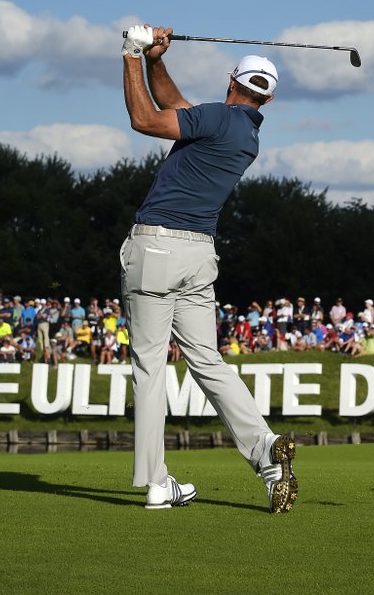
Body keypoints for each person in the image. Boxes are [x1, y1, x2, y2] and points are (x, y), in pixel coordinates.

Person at [120, 25, 296, 513]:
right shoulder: (242, 131)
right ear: (269, 98)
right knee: (207, 360)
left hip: (156, 250)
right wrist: (157, 61)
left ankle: (156, 482)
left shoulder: (220, 119)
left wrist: (131, 54)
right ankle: (264, 451)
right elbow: (179, 108)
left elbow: (145, 118)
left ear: (231, 81)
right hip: (199, 256)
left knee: (151, 367)